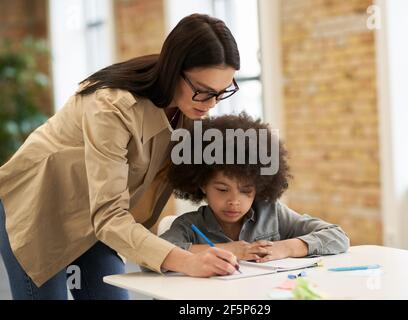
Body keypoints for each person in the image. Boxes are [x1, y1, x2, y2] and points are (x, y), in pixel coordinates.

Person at [0, 13, 241, 300]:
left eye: (222, 92)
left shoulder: (188, 108)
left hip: (97, 218)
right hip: (40, 209)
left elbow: (212, 178)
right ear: (175, 70)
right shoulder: (111, 107)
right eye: (204, 92)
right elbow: (109, 215)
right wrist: (188, 261)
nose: (212, 104)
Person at [158, 113, 350, 262]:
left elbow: (337, 237)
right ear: (202, 184)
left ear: (260, 186)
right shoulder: (189, 226)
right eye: (223, 190)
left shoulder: (272, 214)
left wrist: (286, 248)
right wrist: (228, 249)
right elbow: (157, 254)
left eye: (246, 191)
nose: (234, 201)